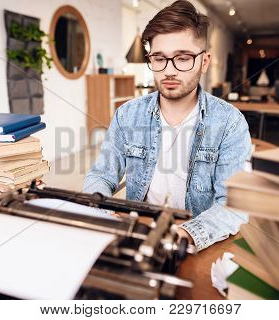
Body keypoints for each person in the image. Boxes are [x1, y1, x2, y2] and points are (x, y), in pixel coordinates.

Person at [84, 0, 251, 251]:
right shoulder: (127, 115)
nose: (169, 71)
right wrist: (104, 216)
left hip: (198, 241)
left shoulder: (230, 123)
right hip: (137, 235)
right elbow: (100, 177)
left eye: (182, 58)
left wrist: (183, 234)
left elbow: (234, 204)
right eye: (159, 59)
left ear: (204, 62)